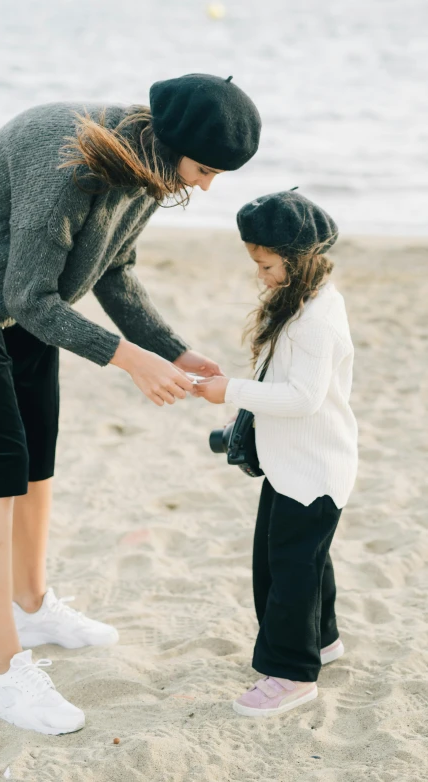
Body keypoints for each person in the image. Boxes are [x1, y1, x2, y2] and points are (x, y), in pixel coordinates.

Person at [0, 73, 261, 735]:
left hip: (29, 299)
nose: (206, 186)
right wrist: (130, 360)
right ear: (176, 142)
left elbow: (114, 268)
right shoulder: (65, 158)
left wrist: (172, 348)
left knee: (37, 455)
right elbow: (29, 300)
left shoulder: (152, 163)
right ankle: (3, 675)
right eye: (205, 169)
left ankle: (33, 605)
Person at [193, 190, 358, 717]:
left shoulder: (316, 321)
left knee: (287, 572)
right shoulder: (306, 302)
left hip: (314, 468)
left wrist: (231, 391)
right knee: (303, 561)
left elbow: (303, 398)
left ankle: (291, 674)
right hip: (293, 465)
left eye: (266, 265)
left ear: (298, 258)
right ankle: (323, 641)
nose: (260, 275)